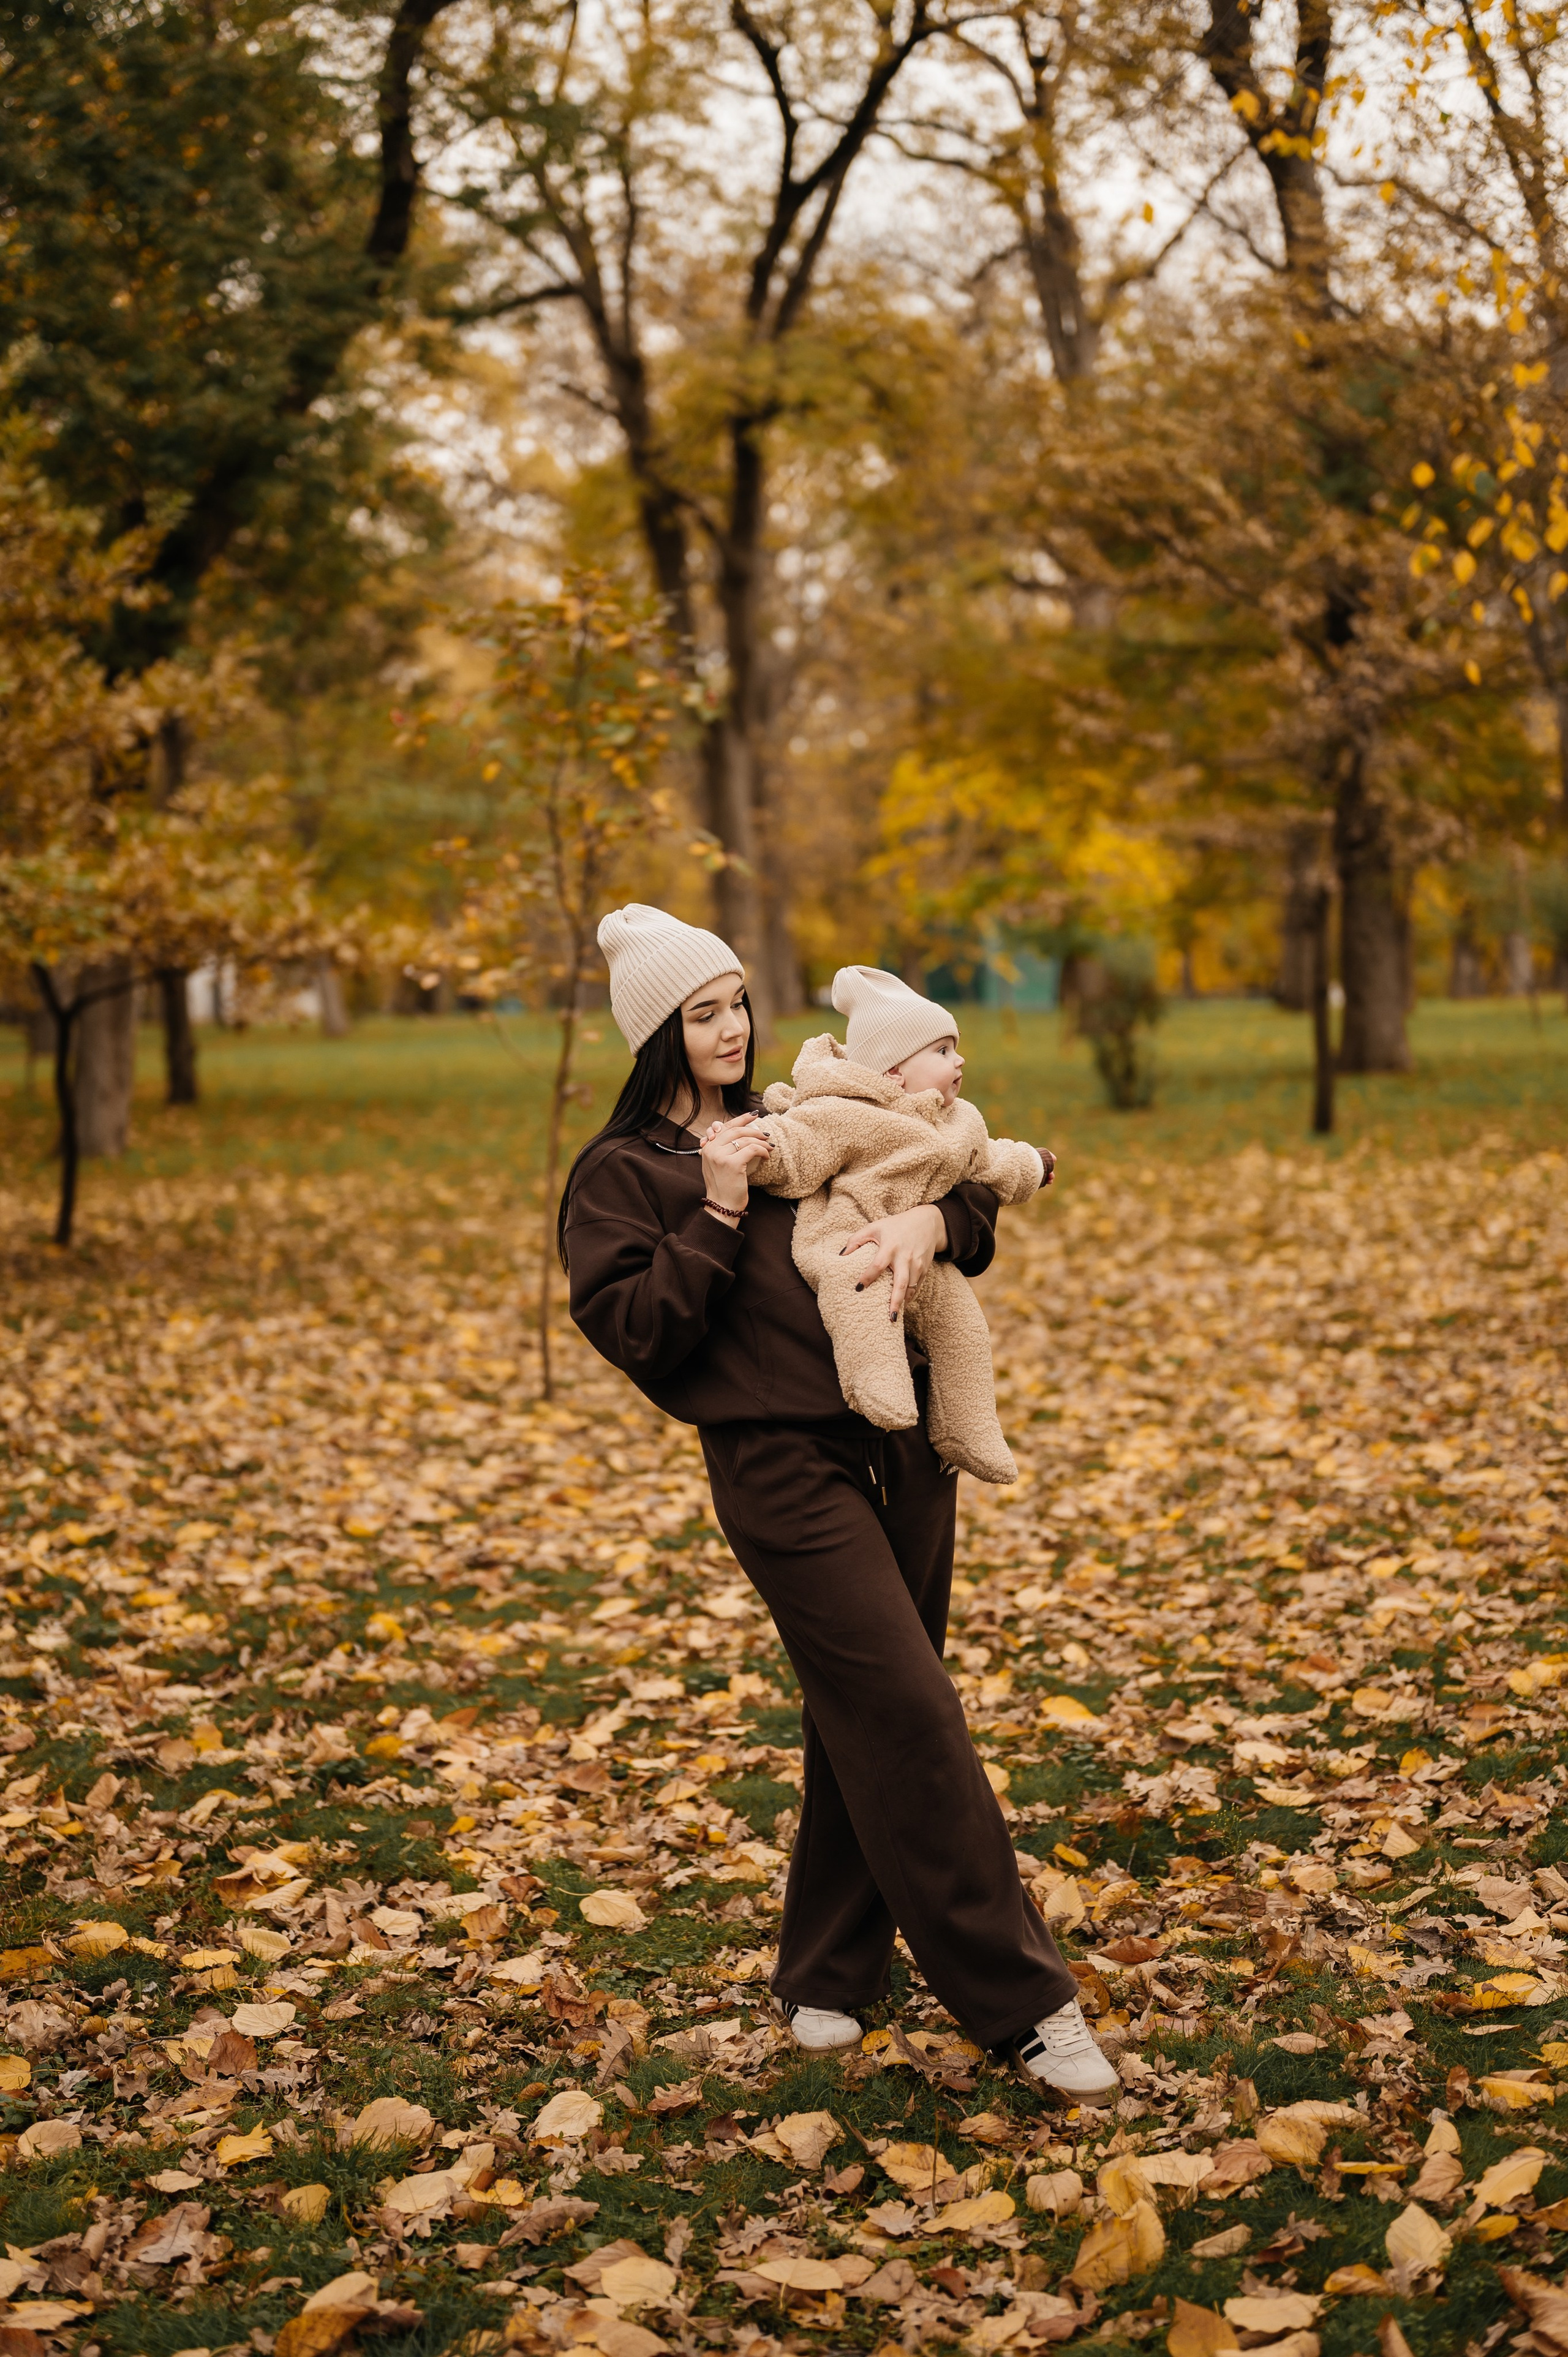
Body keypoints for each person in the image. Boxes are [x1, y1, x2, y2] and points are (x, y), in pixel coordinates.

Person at [559, 902, 1119, 2102]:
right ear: (655, 1032)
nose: (732, 1028)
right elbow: (636, 1330)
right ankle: (1025, 2005)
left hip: (903, 1441)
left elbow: (946, 1172)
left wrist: (931, 1219)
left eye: (737, 1003)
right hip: (777, 1469)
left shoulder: (795, 1119)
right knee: (910, 1708)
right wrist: (713, 1210)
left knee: (859, 1709)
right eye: (701, 1013)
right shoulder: (624, 1172)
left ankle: (825, 1970)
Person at [744, 965, 1050, 1485]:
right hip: (849, 1238)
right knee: (862, 1293)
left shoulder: (960, 1121)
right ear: (891, 1072)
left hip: (927, 1263)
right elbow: (800, 1146)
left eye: (955, 1048)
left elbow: (990, 1162)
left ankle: (967, 1428)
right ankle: (875, 1379)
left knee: (963, 1329)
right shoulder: (848, 1113)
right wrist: (760, 1152)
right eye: (942, 1052)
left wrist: (1034, 1167)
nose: (959, 1060)